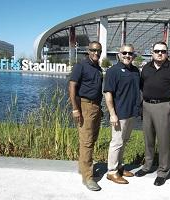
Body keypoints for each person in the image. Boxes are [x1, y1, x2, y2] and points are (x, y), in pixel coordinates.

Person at [135, 41, 170, 186]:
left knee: (163, 141)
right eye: (157, 51)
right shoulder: (146, 68)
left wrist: (168, 100)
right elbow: (142, 87)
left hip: (163, 106)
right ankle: (147, 166)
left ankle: (163, 172)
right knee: (148, 138)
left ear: (167, 53)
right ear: (152, 52)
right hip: (146, 105)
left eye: (163, 51)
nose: (160, 53)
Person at [103, 44, 141, 184]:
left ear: (133, 55)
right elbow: (108, 93)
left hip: (131, 113)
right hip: (119, 114)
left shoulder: (136, 71)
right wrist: (112, 114)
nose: (127, 55)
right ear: (119, 54)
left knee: (124, 142)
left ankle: (119, 167)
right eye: (124, 53)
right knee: (116, 142)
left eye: (130, 53)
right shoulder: (113, 71)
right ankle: (111, 172)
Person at [68, 41, 103, 191]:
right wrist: (75, 109)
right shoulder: (80, 66)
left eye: (98, 51)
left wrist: (99, 108)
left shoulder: (97, 68)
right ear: (88, 51)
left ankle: (82, 167)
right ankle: (88, 177)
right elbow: (72, 86)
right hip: (85, 105)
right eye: (93, 50)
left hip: (95, 106)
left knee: (91, 139)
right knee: (87, 141)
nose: (96, 53)